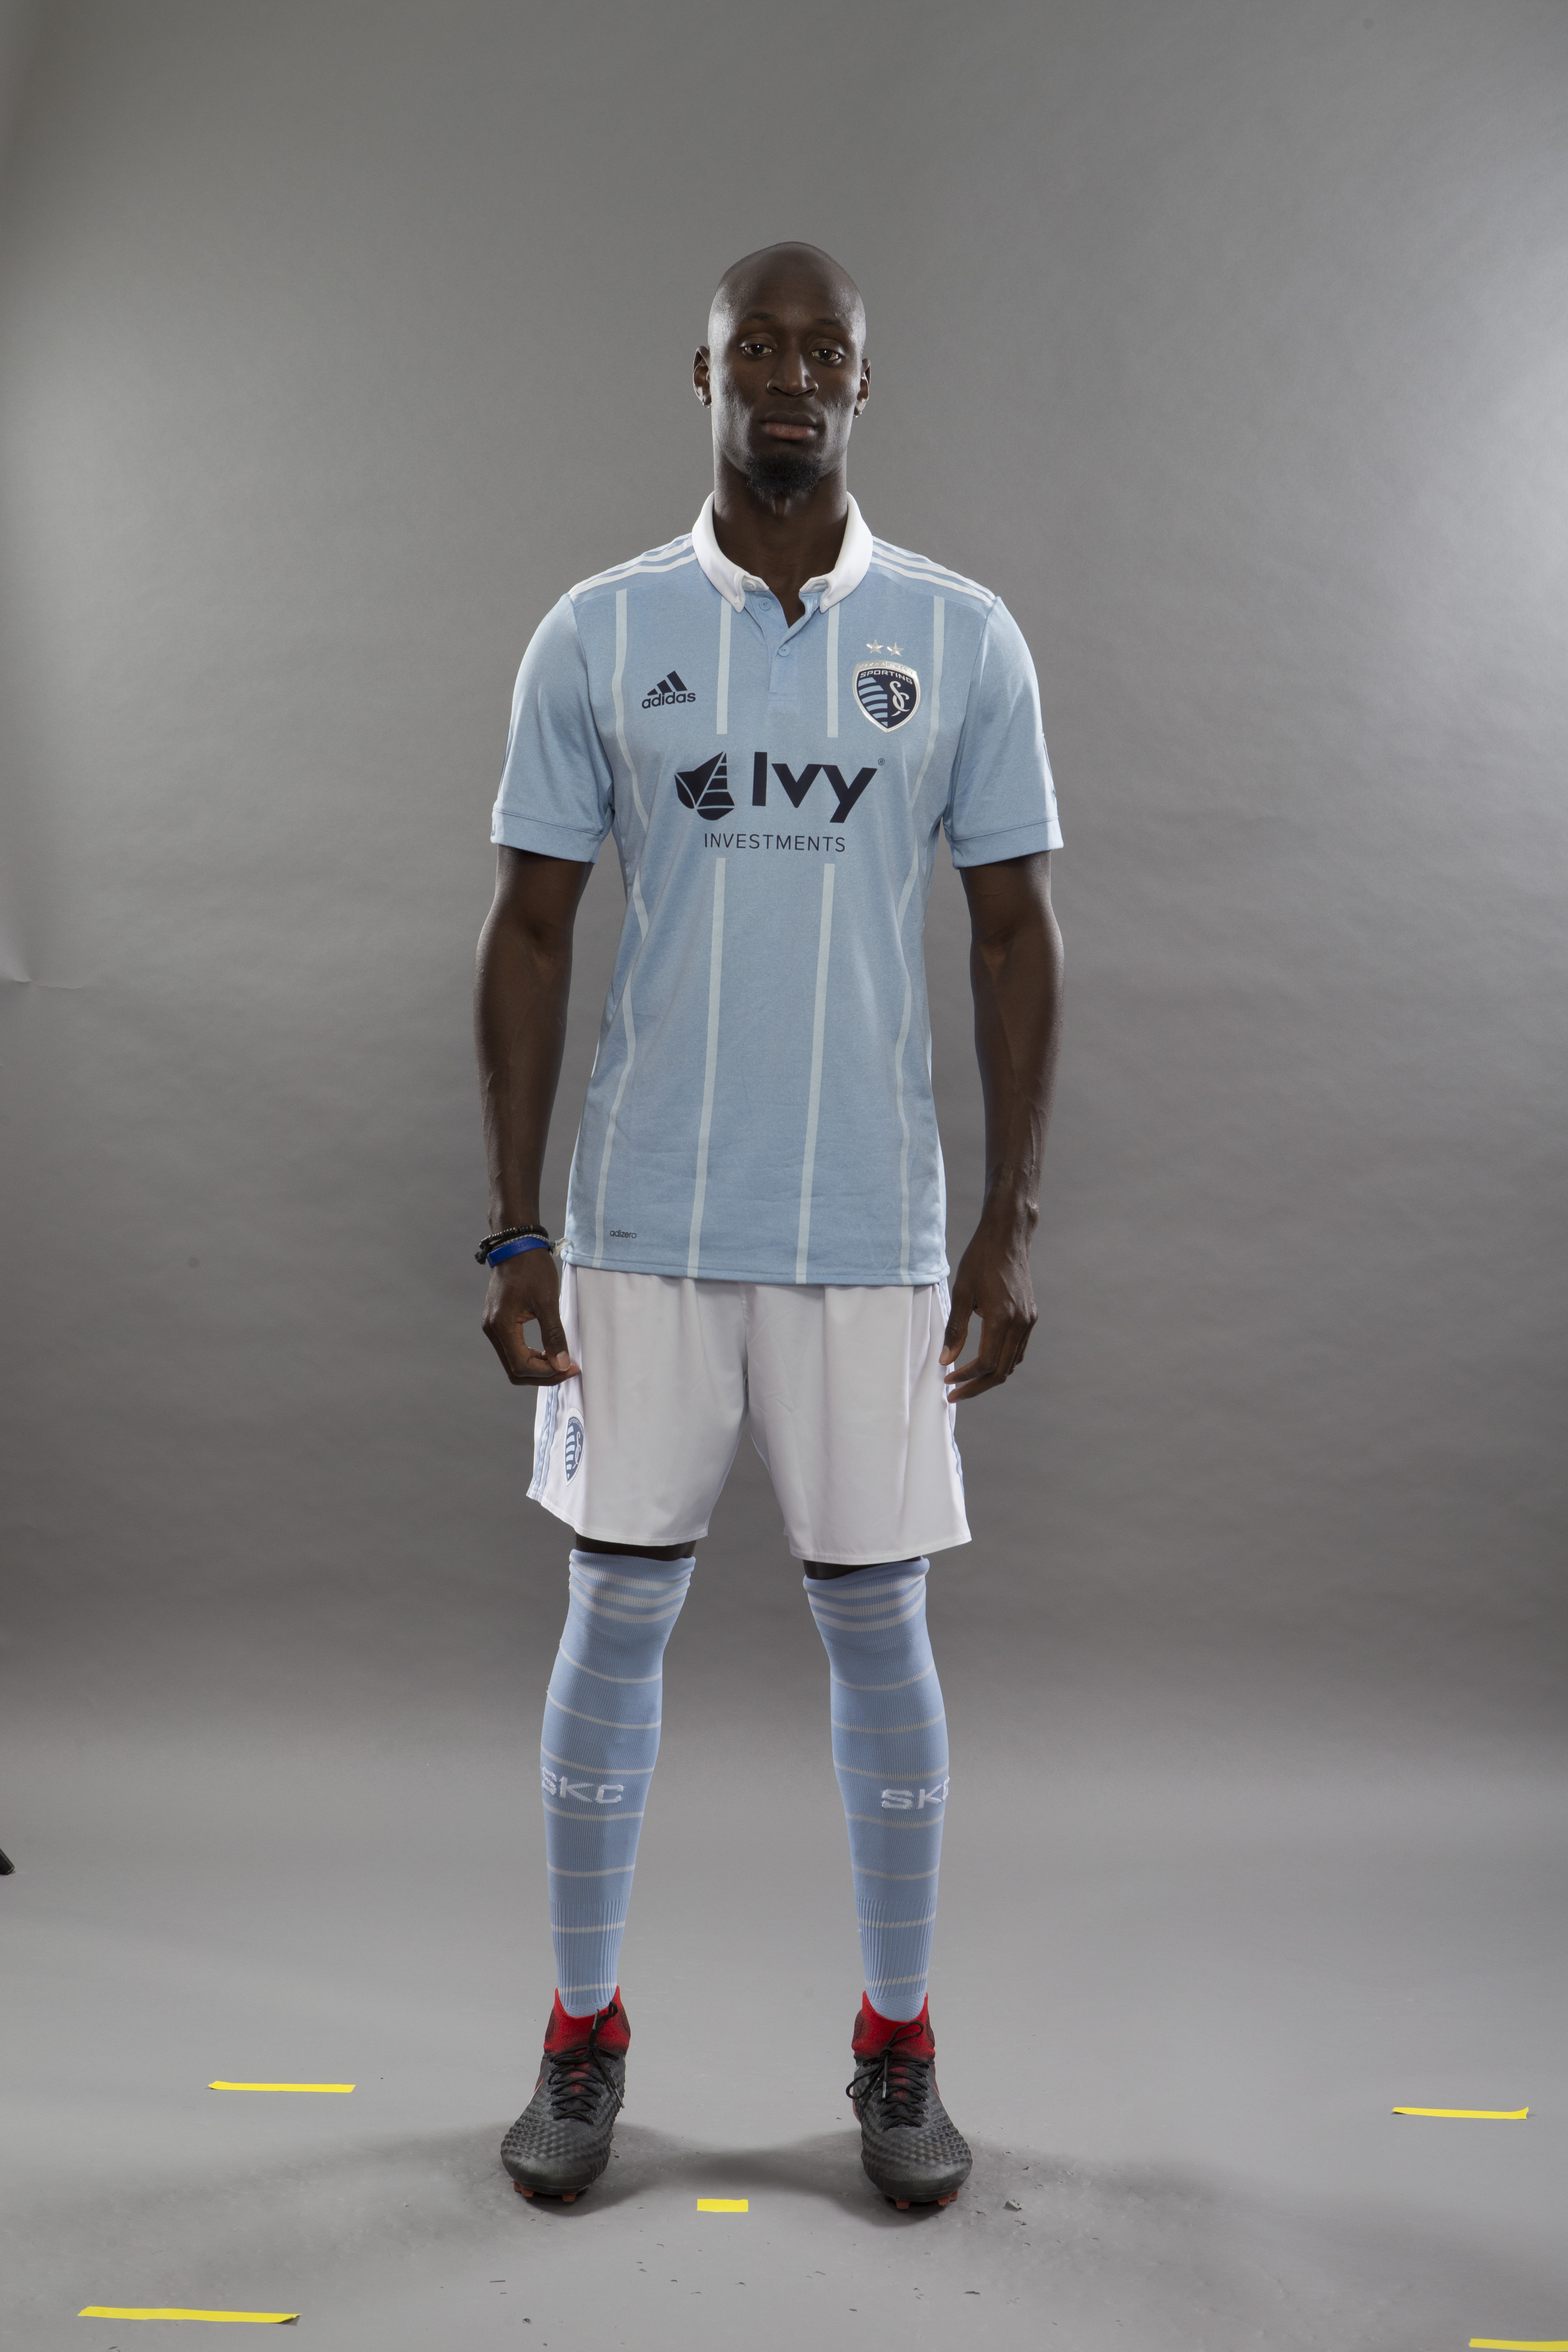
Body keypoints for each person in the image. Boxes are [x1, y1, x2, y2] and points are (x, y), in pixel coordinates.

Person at [474, 241, 1063, 2210]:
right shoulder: (600, 630)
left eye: (826, 352)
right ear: (705, 375)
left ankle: (899, 2050)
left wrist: (1007, 1225)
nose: (790, 377)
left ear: (865, 385)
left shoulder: (962, 638)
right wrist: (514, 1233)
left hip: (870, 1236)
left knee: (882, 1633)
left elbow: (1014, 936)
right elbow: (531, 930)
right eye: (758, 350)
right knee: (614, 1615)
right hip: (642, 1229)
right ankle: (581, 2038)